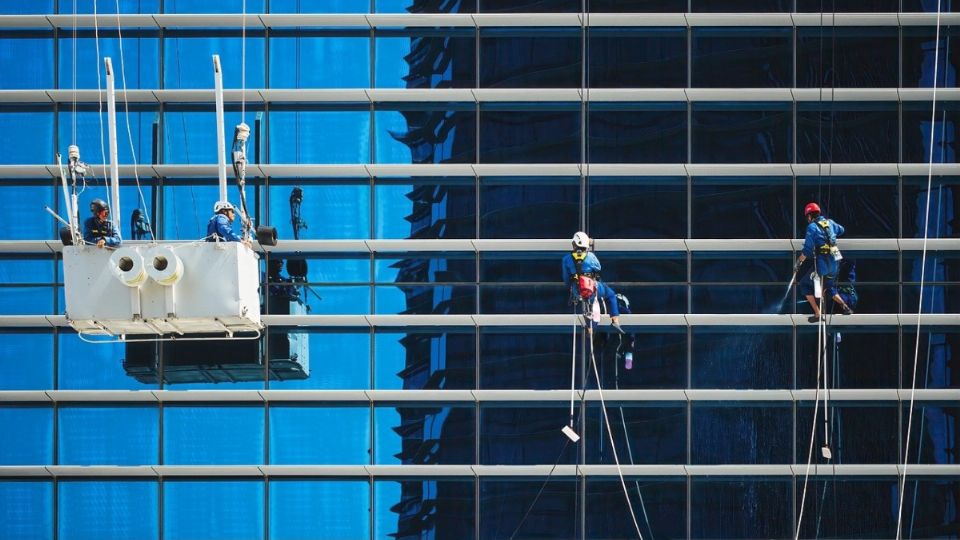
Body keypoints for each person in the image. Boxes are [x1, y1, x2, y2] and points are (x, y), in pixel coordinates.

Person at [795, 202, 854, 322]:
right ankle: (845, 307)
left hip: (823, 264)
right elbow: (841, 230)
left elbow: (807, 250)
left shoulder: (812, 227)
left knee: (804, 285)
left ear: (810, 216)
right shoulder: (830, 223)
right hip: (835, 263)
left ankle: (818, 314)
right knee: (829, 286)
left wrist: (798, 262)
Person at [561, 231, 624, 334]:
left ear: (574, 244)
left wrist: (571, 288)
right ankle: (614, 320)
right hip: (592, 287)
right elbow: (598, 267)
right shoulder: (590, 256)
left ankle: (590, 329)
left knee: (589, 303)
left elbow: (566, 278)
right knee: (611, 295)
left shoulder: (566, 259)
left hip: (577, 290)